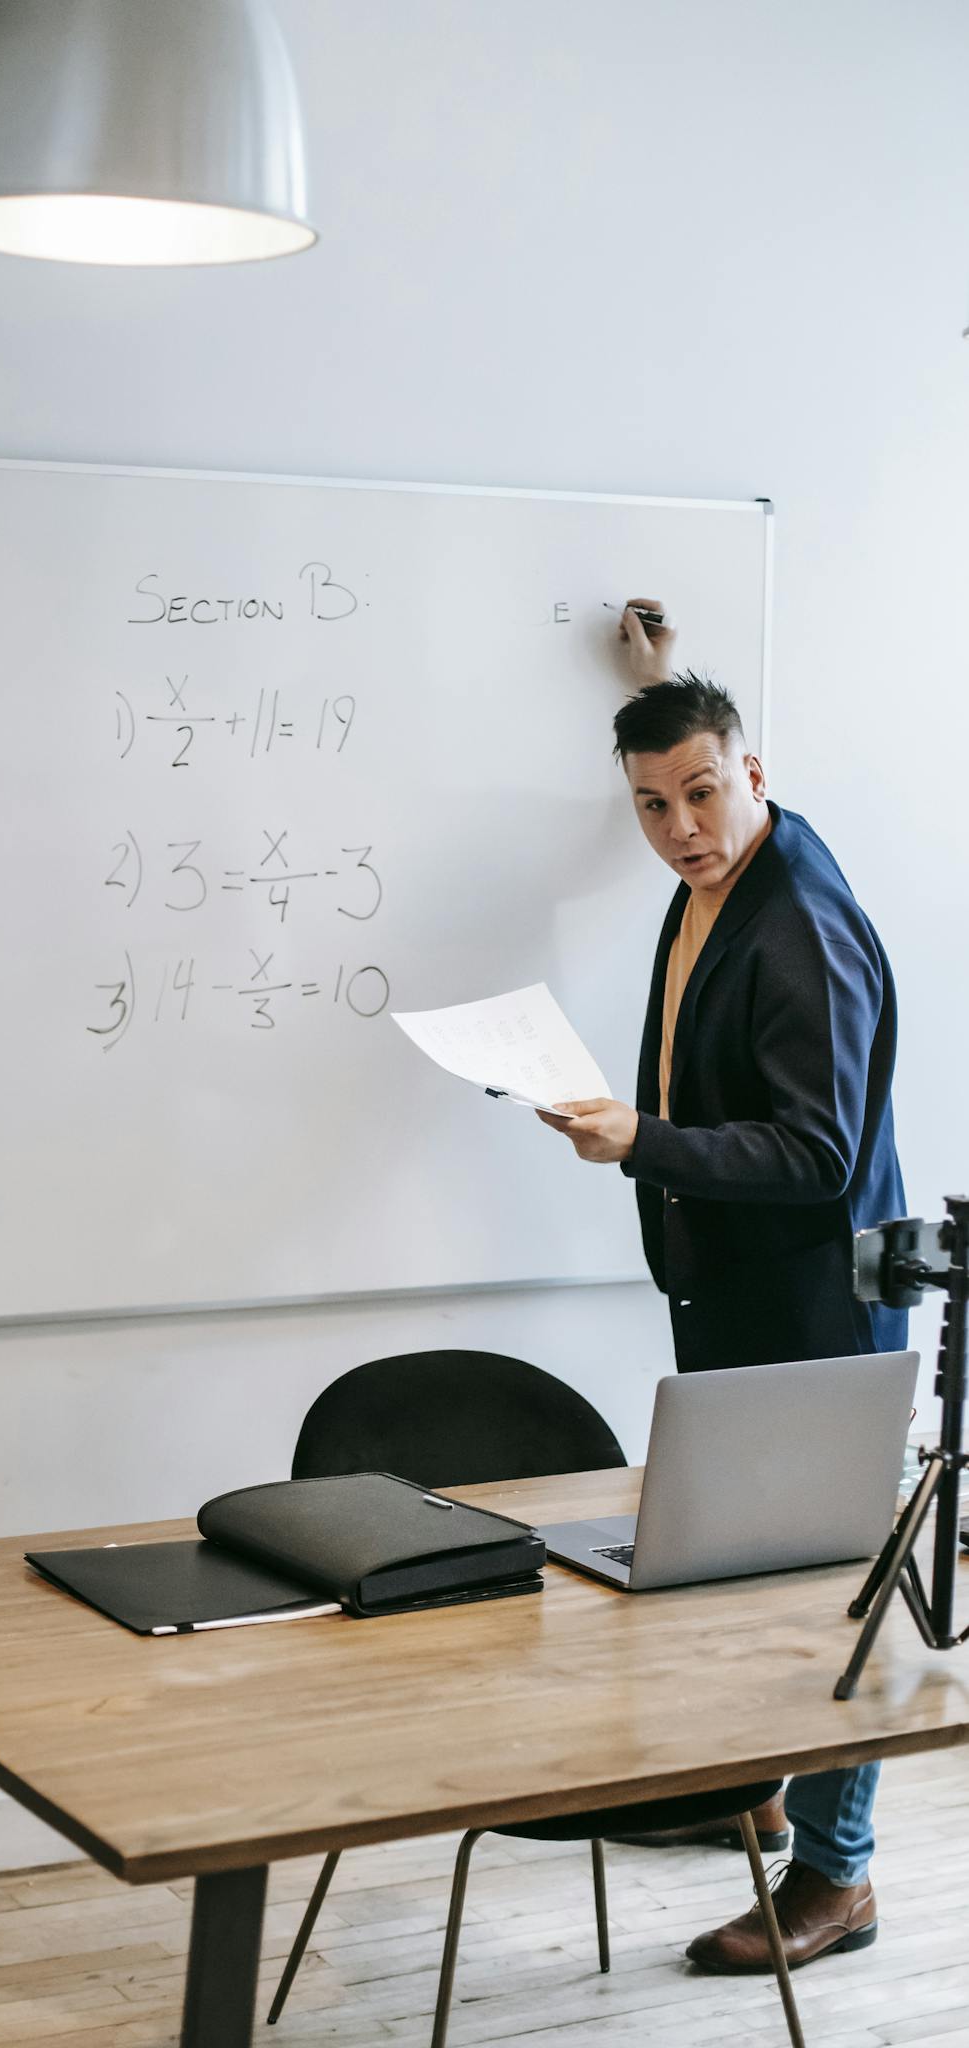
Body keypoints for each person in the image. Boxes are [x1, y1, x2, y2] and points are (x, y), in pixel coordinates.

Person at [536, 600, 908, 1974]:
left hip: (818, 1311)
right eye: (650, 805)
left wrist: (642, 1142)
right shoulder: (723, 872)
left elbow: (814, 1153)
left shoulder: (798, 926)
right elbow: (684, 752)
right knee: (742, 1580)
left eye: (701, 791)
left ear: (753, 774)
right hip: (739, 1301)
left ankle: (838, 1876)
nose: (680, 826)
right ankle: (754, 1796)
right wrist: (655, 682)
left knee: (833, 1598)